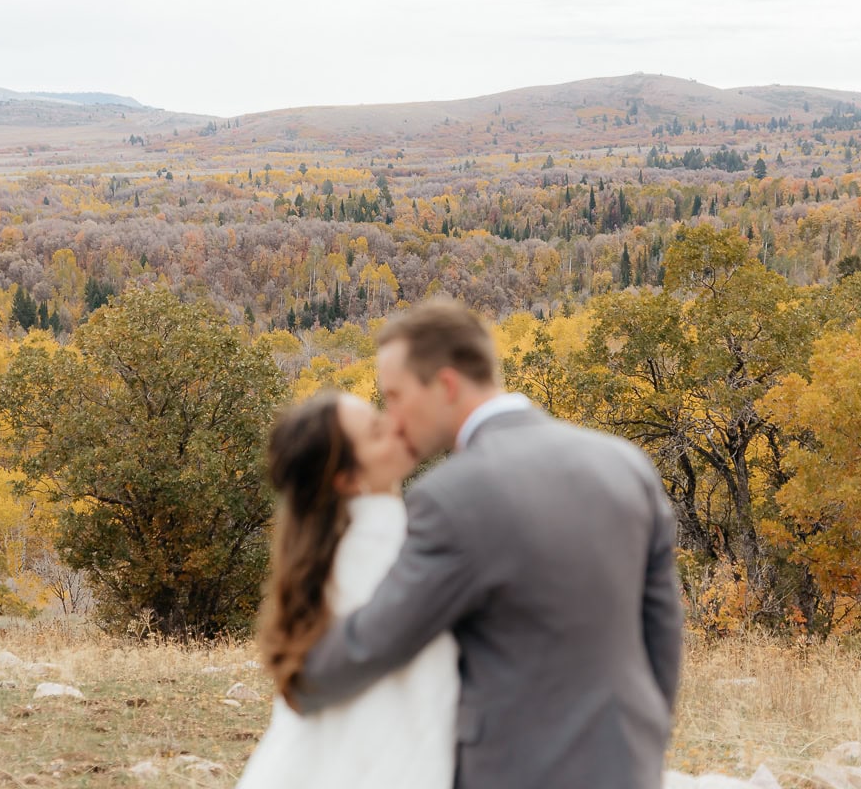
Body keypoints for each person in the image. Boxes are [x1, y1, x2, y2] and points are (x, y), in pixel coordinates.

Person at [296, 298, 683, 789]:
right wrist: (646, 740)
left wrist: (301, 678)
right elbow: (663, 633)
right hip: (630, 765)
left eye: (394, 396)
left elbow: (377, 639)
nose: (392, 419)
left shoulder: (451, 496)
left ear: (446, 385)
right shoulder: (626, 464)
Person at [235, 391, 458, 789]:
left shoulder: (329, 554)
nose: (394, 425)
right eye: (376, 431)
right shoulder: (386, 551)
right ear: (349, 479)